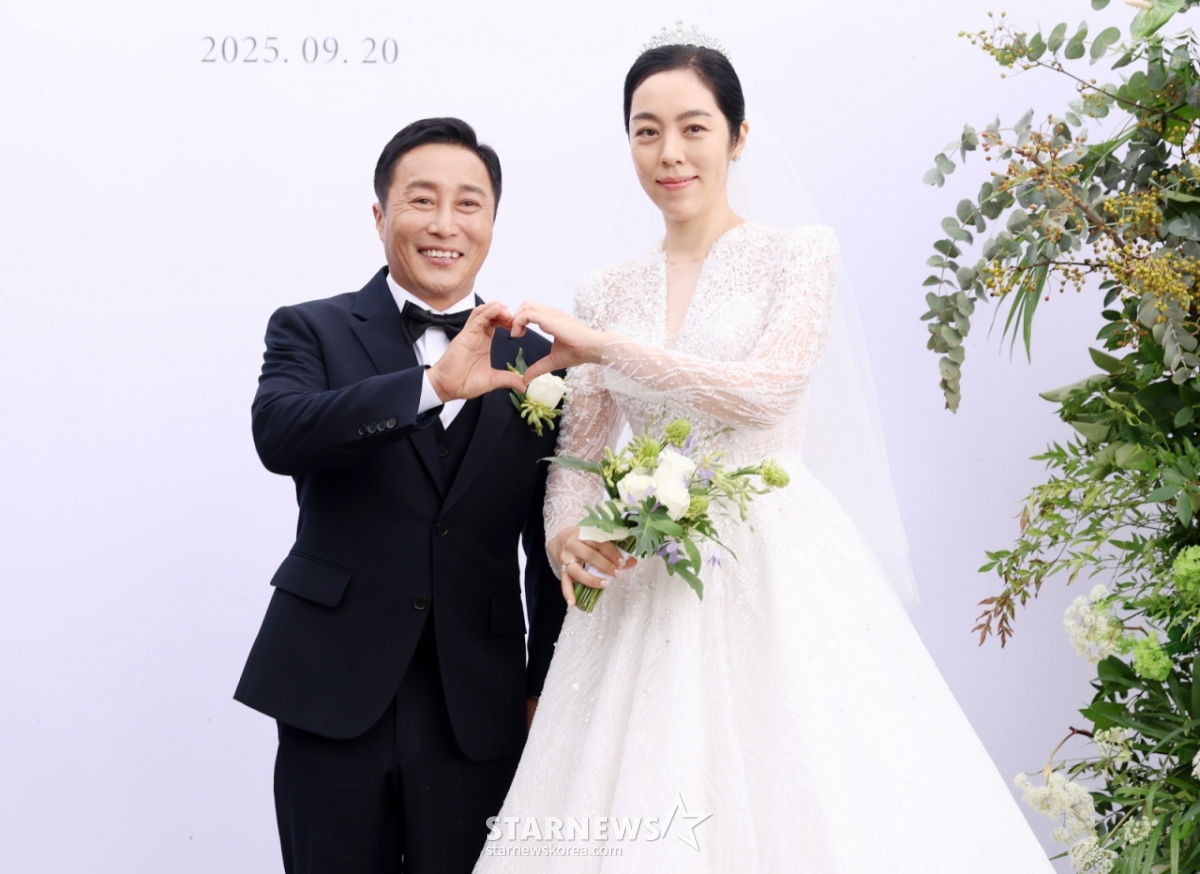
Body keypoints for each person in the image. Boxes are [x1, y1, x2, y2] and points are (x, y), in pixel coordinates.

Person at [474, 40, 1057, 872]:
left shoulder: (799, 253)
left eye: (693, 127)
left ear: (738, 136)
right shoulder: (604, 288)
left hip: (776, 559)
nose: (669, 153)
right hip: (644, 572)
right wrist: (567, 534)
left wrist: (603, 346)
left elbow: (767, 393)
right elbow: (583, 446)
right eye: (646, 131)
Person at [233, 117, 567, 874]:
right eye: (422, 200)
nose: (445, 224)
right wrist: (430, 386)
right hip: (332, 689)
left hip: (478, 703)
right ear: (381, 215)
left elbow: (549, 539)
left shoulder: (540, 359)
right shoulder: (311, 328)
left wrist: (546, 689)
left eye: (469, 204)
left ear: (492, 222)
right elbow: (280, 435)